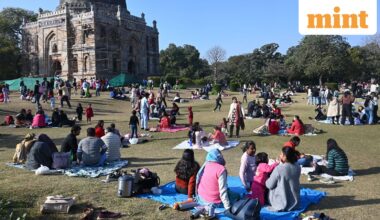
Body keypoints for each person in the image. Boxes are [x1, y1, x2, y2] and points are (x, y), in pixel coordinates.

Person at [266, 147, 301, 211]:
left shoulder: (279, 169)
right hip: (295, 199)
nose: (280, 155)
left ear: (285, 157)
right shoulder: (298, 166)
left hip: (280, 202)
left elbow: (269, 185)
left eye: (281, 154)